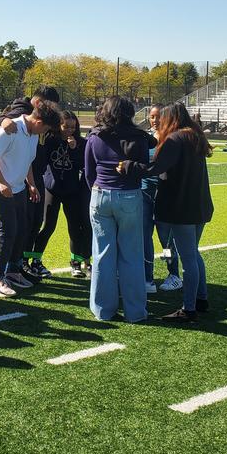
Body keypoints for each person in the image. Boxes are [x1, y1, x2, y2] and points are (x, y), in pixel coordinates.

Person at [120, 102, 214, 323]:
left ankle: (189, 309)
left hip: (182, 208)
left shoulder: (175, 139)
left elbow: (156, 168)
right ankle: (201, 299)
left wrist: (129, 167)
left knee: (188, 258)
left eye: (162, 118)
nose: (159, 122)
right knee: (193, 254)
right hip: (199, 205)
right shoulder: (195, 136)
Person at [0, 100, 61, 298]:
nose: (44, 132)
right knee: (7, 231)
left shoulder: (33, 134)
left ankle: (13, 271)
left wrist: (31, 184)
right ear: (39, 121)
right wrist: (2, 183)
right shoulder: (11, 128)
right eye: (46, 128)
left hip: (18, 187)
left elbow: (28, 162)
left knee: (22, 229)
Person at [84, 96, 150, 323]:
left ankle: (103, 310)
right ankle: (135, 312)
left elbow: (89, 172)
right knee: (132, 255)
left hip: (100, 194)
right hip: (129, 195)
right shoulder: (139, 137)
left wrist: (98, 189)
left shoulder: (95, 136)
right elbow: (143, 168)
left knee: (102, 255)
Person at [29, 110, 91, 278]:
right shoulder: (50, 140)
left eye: (73, 127)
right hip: (52, 189)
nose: (69, 130)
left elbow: (82, 165)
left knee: (75, 228)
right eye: (66, 127)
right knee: (48, 226)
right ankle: (35, 260)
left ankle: (76, 263)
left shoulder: (81, 142)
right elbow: (41, 161)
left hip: (72, 191)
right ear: (58, 126)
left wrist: (74, 149)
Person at [143, 104, 182, 293]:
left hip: (164, 195)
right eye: (152, 116)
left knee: (165, 239)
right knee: (144, 237)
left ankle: (174, 274)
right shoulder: (145, 138)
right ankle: (147, 278)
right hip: (144, 193)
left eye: (158, 116)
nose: (155, 120)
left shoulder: (171, 139)